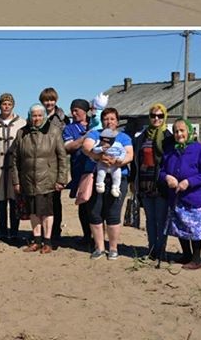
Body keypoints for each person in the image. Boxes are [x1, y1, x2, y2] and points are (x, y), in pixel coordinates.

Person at [11, 104, 68, 254]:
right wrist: (16, 181)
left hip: (48, 178)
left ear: (43, 116)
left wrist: (61, 179)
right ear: (29, 116)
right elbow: (15, 159)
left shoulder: (53, 132)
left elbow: (62, 157)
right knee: (33, 212)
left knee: (47, 212)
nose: (36, 119)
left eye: (39, 115)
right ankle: (36, 241)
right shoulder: (21, 133)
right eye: (33, 115)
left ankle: (47, 242)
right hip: (28, 179)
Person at [160, 119, 201, 270]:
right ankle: (186, 255)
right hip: (177, 197)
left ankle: (196, 260)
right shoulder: (170, 150)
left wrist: (188, 182)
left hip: (196, 198)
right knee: (181, 227)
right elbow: (162, 171)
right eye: (176, 131)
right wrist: (167, 177)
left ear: (189, 132)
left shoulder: (200, 149)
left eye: (182, 130)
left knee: (194, 230)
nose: (179, 134)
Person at [83, 108, 133, 260]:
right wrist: (98, 157)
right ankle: (99, 247)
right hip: (97, 177)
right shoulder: (95, 134)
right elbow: (86, 147)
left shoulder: (124, 137)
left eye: (112, 119)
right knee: (95, 212)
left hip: (118, 177)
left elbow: (130, 155)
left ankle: (113, 248)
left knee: (113, 213)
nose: (109, 121)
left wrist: (116, 161)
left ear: (117, 121)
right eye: (106, 119)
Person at [130, 103, 173, 262]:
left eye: (160, 116)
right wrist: (132, 180)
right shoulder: (141, 137)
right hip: (144, 183)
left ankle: (161, 251)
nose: (156, 119)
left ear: (164, 117)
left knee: (161, 219)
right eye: (154, 116)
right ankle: (152, 250)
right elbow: (136, 160)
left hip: (161, 183)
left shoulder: (169, 138)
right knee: (150, 219)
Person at [0, 93, 26, 243]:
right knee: (0, 200)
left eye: (9, 104)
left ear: (13, 105)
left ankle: (15, 232)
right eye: (4, 104)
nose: (6, 106)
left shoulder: (22, 122)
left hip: (15, 167)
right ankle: (3, 232)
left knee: (14, 200)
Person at [62, 98, 97, 249]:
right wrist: (86, 137)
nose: (73, 113)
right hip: (80, 169)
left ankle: (98, 237)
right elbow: (69, 147)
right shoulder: (69, 128)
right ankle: (86, 236)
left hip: (98, 169)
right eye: (72, 110)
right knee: (83, 203)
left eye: (76, 110)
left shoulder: (96, 123)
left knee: (96, 204)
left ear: (85, 111)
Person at [39, 87, 69, 244]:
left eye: (51, 100)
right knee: (40, 200)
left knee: (55, 200)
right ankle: (42, 232)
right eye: (46, 100)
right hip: (40, 164)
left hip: (55, 162)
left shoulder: (62, 119)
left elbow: (63, 144)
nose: (49, 103)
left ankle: (55, 232)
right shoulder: (38, 116)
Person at [92, 129, 127, 197]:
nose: (105, 143)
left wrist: (120, 158)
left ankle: (116, 188)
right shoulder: (99, 143)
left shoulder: (118, 144)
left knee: (117, 175)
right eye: (103, 141)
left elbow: (123, 152)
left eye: (107, 141)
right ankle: (99, 184)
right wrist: (101, 148)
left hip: (115, 164)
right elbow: (94, 150)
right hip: (103, 163)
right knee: (100, 172)